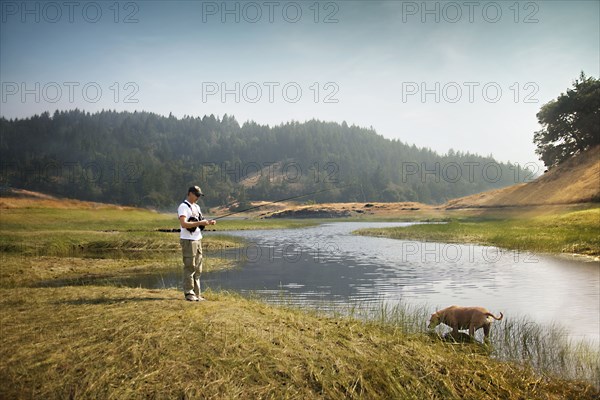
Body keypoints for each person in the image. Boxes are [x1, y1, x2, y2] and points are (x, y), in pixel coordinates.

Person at [177, 185, 216, 301]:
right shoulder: (183, 207)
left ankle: (197, 294)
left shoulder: (197, 207)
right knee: (190, 267)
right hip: (188, 240)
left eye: (199, 195)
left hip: (198, 239)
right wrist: (199, 223)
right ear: (190, 193)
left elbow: (200, 221)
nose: (198, 197)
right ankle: (189, 293)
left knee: (198, 268)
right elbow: (184, 224)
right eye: (196, 195)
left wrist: (208, 222)